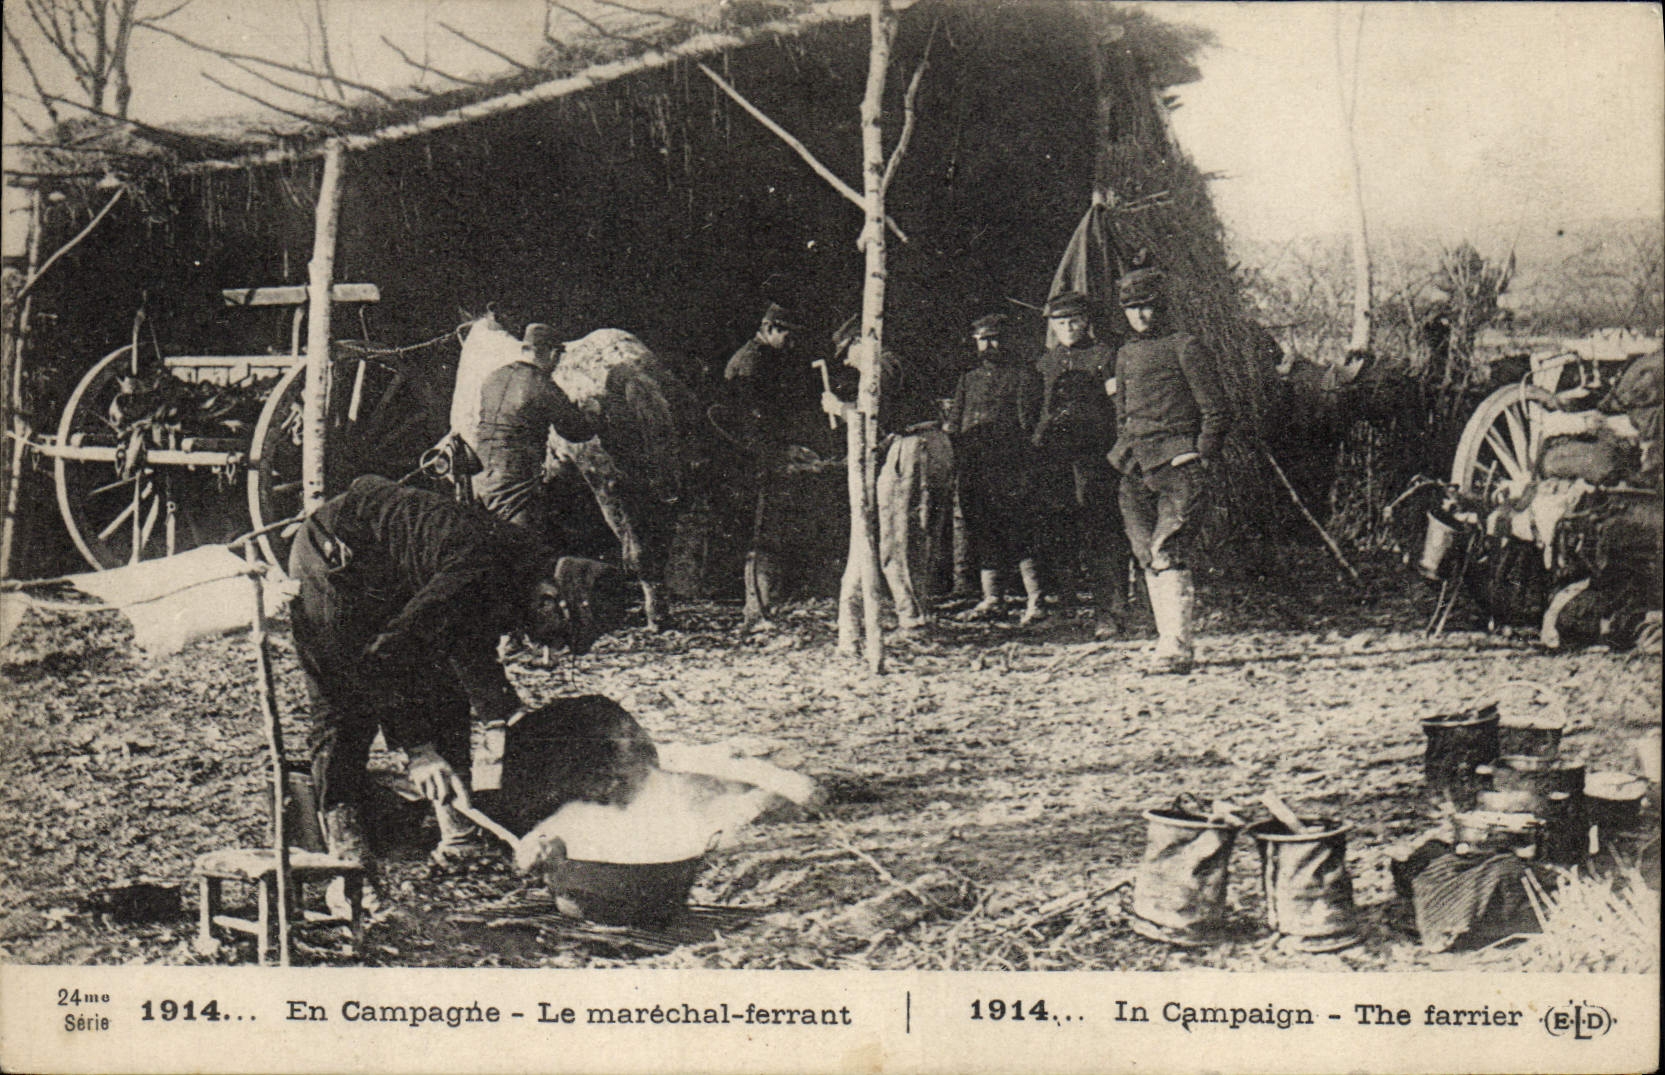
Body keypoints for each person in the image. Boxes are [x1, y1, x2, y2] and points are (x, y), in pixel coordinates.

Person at [288, 474, 630, 878]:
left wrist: (503, 713)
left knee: (445, 690)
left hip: (390, 569)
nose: (546, 646)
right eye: (555, 633)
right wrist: (418, 750)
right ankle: (345, 846)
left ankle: (458, 836)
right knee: (345, 703)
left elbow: (467, 638)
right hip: (334, 557)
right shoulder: (478, 571)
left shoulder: (523, 566)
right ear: (549, 599)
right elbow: (386, 655)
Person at [1109, 265, 1232, 673]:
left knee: (1168, 550)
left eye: (1146, 307)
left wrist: (1198, 454)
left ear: (1160, 307)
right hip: (1135, 466)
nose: (1140, 316)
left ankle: (1177, 646)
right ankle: (1167, 641)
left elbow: (1216, 411)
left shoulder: (1186, 346)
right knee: (1146, 554)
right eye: (1131, 308)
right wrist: (1125, 452)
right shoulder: (1125, 354)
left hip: (1177, 467)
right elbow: (1123, 413)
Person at [819, 315, 954, 634]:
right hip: (929, 443)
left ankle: (912, 616)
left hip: (912, 447)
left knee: (897, 534)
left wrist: (838, 408)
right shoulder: (895, 363)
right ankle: (918, 608)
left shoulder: (879, 366)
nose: (848, 364)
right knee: (922, 531)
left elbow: (870, 415)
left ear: (857, 344)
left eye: (847, 355)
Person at [1033, 291, 1135, 637]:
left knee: (1102, 533)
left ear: (1087, 321)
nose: (1068, 328)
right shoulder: (1046, 363)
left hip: (1095, 460)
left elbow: (1120, 408)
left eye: (1074, 320)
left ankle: (1111, 611)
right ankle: (1066, 606)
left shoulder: (1106, 356)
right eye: (1060, 323)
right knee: (1060, 532)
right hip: (1055, 460)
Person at [944, 312, 1047, 624]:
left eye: (996, 338)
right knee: (984, 531)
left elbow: (1031, 426)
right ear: (976, 341)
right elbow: (955, 425)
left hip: (1010, 468)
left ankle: (1036, 600)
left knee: (1020, 532)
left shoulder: (1023, 377)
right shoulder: (968, 380)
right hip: (974, 469)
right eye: (984, 339)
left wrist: (1024, 465)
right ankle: (993, 598)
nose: (990, 345)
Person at [722, 303, 815, 632]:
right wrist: (777, 452)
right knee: (759, 534)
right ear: (770, 328)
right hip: (755, 464)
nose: (790, 341)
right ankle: (756, 611)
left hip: (763, 459)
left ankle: (761, 607)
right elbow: (752, 420)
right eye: (786, 333)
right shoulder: (752, 363)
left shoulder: (763, 359)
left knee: (765, 534)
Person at [472, 323, 599, 536]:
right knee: (527, 551)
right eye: (557, 356)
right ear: (551, 353)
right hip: (515, 487)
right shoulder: (542, 386)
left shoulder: (494, 377)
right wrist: (592, 410)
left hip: (480, 477)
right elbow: (577, 432)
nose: (557, 362)